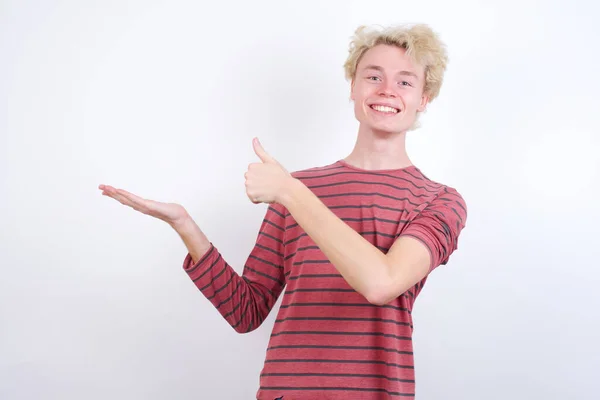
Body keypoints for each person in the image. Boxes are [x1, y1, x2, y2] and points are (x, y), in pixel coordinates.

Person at [99, 23, 467, 399]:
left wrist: (290, 191)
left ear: (425, 97)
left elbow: (381, 283)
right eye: (373, 76)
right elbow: (246, 311)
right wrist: (186, 226)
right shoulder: (296, 189)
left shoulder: (438, 201)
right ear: (354, 87)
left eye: (405, 82)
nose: (387, 90)